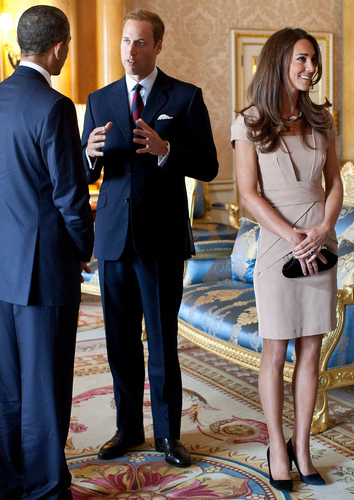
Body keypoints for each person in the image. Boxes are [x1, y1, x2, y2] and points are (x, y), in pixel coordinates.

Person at [82, 9, 218, 468]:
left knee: (160, 343)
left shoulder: (184, 97)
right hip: (114, 242)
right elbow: (87, 171)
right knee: (119, 341)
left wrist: (167, 152)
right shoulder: (99, 100)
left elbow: (209, 166)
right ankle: (127, 429)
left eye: (140, 42)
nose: (130, 51)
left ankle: (167, 437)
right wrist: (89, 155)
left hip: (161, 242)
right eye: (125, 41)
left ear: (158, 46)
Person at [232, 28, 342, 493]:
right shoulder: (249, 121)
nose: (310, 68)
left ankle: (303, 447)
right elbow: (247, 193)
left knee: (312, 349)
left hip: (319, 240)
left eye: (313, 60)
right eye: (301, 59)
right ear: (280, 61)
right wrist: (291, 233)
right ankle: (277, 445)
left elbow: (336, 183)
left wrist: (320, 228)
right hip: (279, 242)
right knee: (276, 349)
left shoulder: (322, 119)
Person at [0, 6, 94, 499]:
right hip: (44, 271)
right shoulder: (54, 107)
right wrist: (83, 249)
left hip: (2, 267)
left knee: (8, 388)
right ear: (58, 46)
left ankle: (10, 482)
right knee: (45, 388)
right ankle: (46, 490)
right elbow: (70, 198)